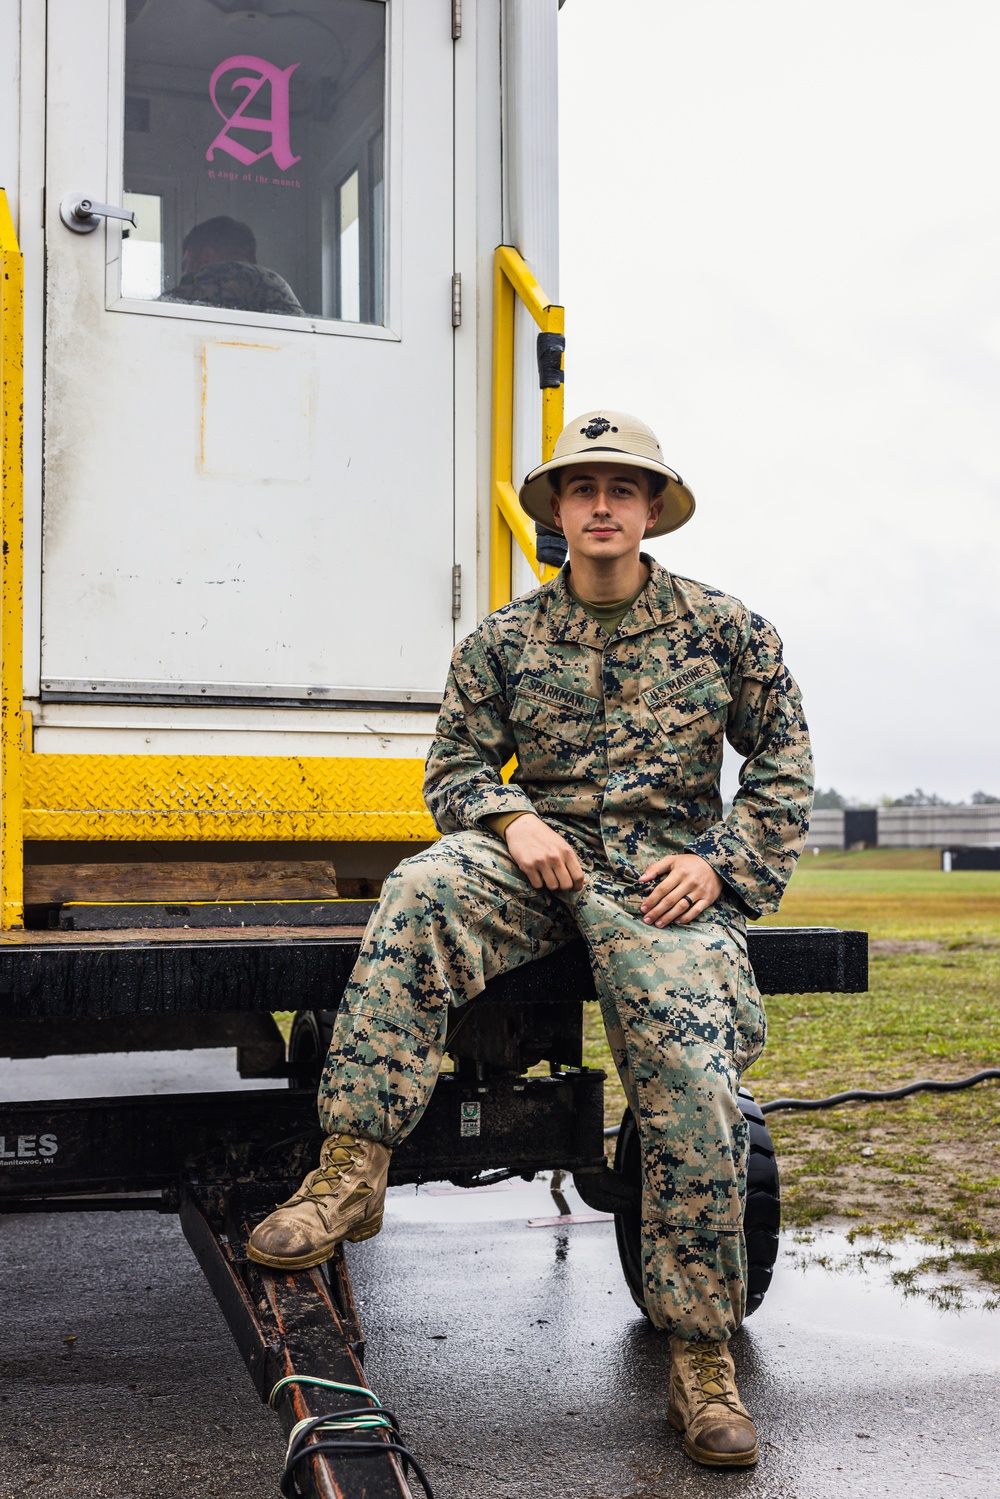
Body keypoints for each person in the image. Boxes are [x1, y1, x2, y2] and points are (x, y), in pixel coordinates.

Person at [247, 411, 814, 1469]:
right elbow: (454, 768)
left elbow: (781, 762)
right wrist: (512, 819)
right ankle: (351, 1169)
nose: (601, 504)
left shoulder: (725, 629)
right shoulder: (504, 641)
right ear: (556, 512)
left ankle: (699, 1357)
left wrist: (722, 865)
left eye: (623, 488)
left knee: (690, 1081)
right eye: (581, 487)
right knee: (419, 889)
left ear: (651, 511)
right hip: (538, 860)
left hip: (661, 882)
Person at [161, 216, 304, 316]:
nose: (185, 274)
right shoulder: (276, 282)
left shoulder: (209, 279)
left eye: (186, 266)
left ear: (206, 257)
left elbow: (157, 313)